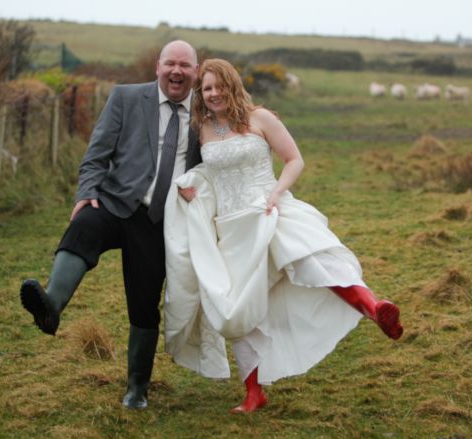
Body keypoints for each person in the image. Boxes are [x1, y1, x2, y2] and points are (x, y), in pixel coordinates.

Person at [163, 59, 403, 414]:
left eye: (218, 86)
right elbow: (205, 171)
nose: (212, 94)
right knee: (237, 308)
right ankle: (253, 392)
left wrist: (277, 192)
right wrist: (193, 189)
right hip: (231, 228)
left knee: (312, 257)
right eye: (206, 88)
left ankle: (374, 308)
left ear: (232, 84)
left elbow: (294, 160)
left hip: (269, 210)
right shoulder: (202, 127)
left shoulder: (261, 118)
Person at [19, 40, 201, 410]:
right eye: (170, 63)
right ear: (157, 67)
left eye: (185, 65)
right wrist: (86, 192)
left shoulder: (205, 111)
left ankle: (137, 387)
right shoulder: (126, 98)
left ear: (196, 72)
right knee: (84, 223)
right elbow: (95, 156)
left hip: (162, 221)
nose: (177, 71)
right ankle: (51, 306)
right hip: (115, 203)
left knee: (144, 299)